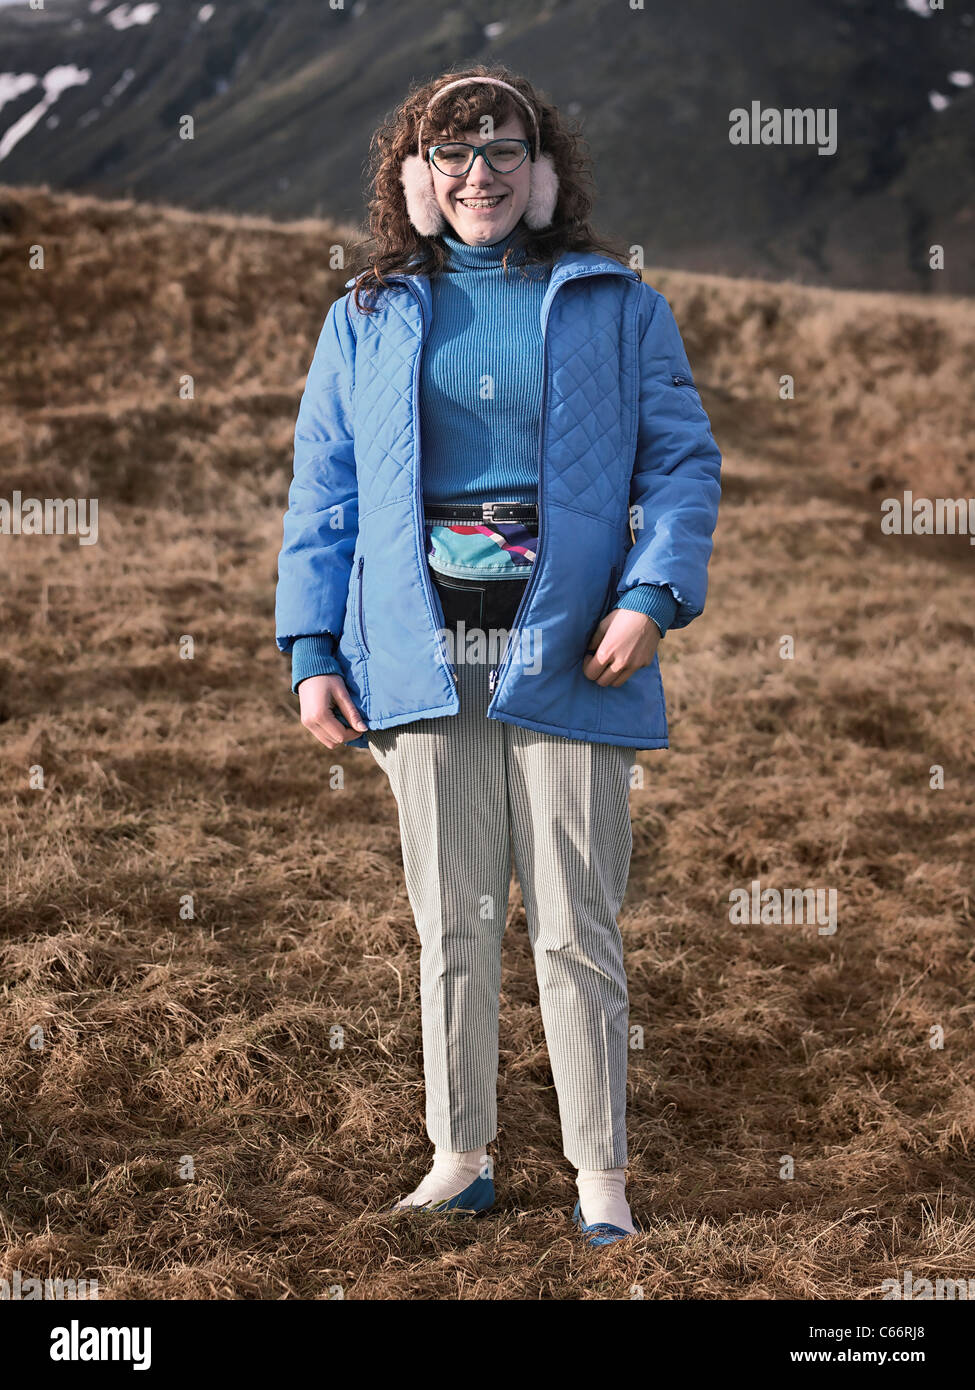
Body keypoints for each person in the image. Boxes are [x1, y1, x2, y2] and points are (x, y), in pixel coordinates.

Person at [275, 64, 722, 1247]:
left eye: (504, 148)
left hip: (576, 647)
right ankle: (461, 1156)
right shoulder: (364, 313)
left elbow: (680, 465)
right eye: (454, 152)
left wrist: (652, 593)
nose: (480, 171)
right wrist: (312, 642)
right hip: (420, 650)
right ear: (417, 178)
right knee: (454, 919)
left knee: (575, 921)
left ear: (544, 170)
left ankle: (601, 1181)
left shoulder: (615, 302)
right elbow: (324, 490)